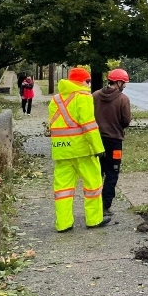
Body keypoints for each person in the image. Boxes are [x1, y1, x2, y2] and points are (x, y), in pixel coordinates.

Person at [49, 67, 108, 232]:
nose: (89, 84)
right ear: (82, 81)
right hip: (83, 150)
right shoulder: (83, 97)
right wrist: (98, 147)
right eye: (88, 81)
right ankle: (94, 220)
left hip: (61, 151)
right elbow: (88, 124)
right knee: (92, 185)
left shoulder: (56, 99)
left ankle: (63, 224)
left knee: (63, 190)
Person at [92, 68, 132, 217]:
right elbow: (126, 121)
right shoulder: (123, 99)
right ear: (119, 82)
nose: (125, 86)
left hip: (96, 140)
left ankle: (93, 205)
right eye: (124, 83)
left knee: (97, 173)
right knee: (112, 173)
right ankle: (105, 206)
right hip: (114, 142)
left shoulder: (95, 95)